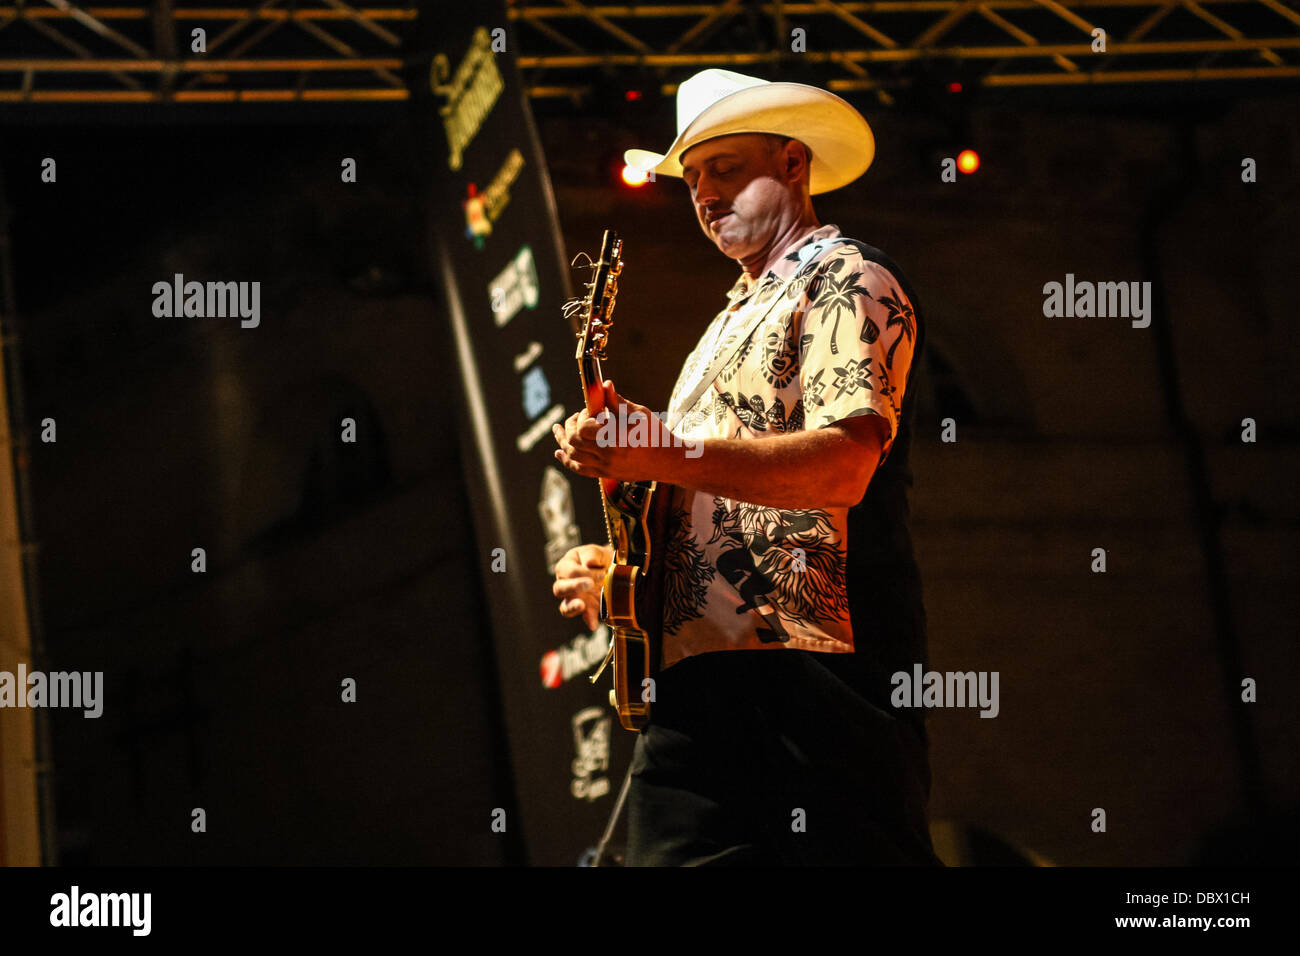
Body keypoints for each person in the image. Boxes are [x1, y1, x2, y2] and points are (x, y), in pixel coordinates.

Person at [551, 68, 940, 866]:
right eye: (691, 178)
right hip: (702, 673)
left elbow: (844, 468)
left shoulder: (846, 277)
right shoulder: (727, 318)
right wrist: (632, 577)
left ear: (794, 164)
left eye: (724, 169)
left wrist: (658, 450)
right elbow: (713, 487)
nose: (702, 193)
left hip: (816, 666)